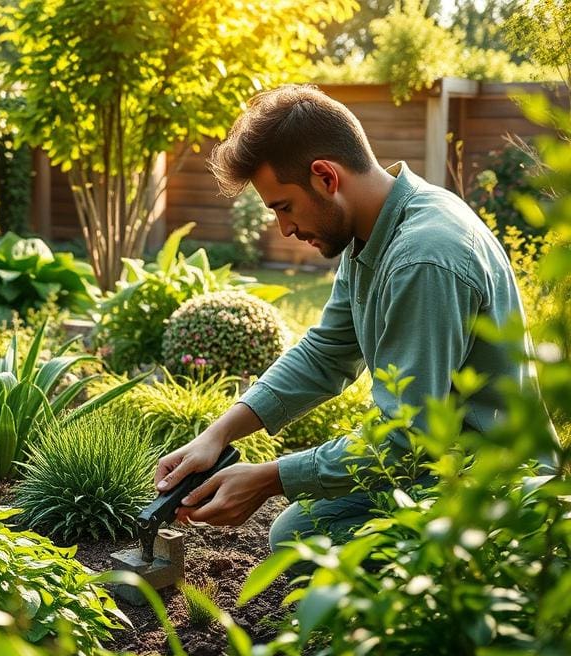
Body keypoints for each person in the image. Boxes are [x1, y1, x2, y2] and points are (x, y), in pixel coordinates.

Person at [153, 83, 552, 554]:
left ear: (325, 177)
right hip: (439, 464)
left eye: (283, 207)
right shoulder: (375, 230)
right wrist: (216, 434)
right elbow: (325, 354)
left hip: (494, 489)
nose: (284, 228)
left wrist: (268, 479)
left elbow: (407, 439)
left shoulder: (423, 257)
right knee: (297, 534)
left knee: (301, 544)